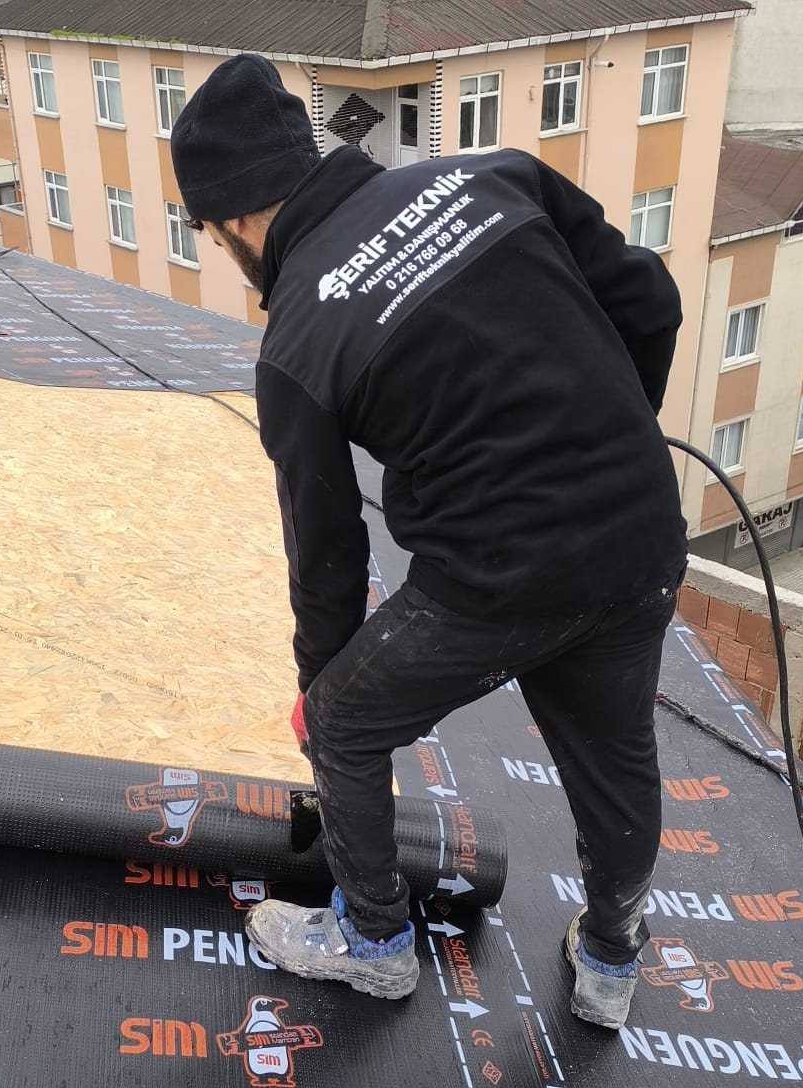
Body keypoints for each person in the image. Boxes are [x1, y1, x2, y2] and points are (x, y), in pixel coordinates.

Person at [169, 54, 686, 1029]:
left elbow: (327, 557)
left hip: (500, 580)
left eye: (210, 233)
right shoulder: (494, 178)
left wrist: (323, 697)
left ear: (233, 219)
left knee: (342, 723)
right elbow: (650, 301)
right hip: (638, 533)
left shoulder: (298, 342)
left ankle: (373, 943)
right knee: (617, 761)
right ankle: (611, 964)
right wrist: (609, 440)